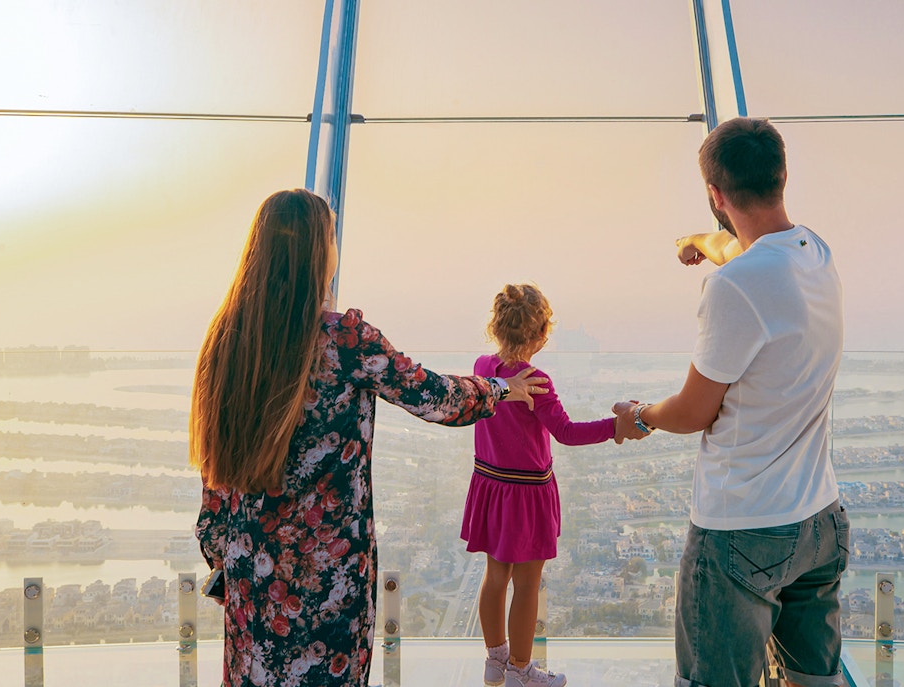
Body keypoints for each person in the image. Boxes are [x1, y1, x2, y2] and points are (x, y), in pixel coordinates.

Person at [191, 189, 548, 687]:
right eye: (331, 235)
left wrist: (225, 558)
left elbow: (213, 472)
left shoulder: (227, 339)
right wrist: (500, 389)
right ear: (318, 251)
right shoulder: (344, 342)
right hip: (329, 582)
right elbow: (434, 396)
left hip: (252, 573)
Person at [614, 117, 850, 687]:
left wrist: (639, 416)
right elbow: (747, 254)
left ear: (715, 195)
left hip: (743, 529)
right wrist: (700, 242)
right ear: (783, 175)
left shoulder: (733, 288)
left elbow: (695, 411)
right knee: (813, 680)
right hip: (819, 520)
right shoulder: (814, 252)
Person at [463, 284, 640, 687]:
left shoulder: (483, 366)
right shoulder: (535, 379)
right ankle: (522, 672)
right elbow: (566, 431)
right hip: (526, 494)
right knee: (527, 585)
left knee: (495, 577)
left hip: (491, 485)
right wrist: (616, 427)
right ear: (541, 334)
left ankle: (495, 662)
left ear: (496, 325)